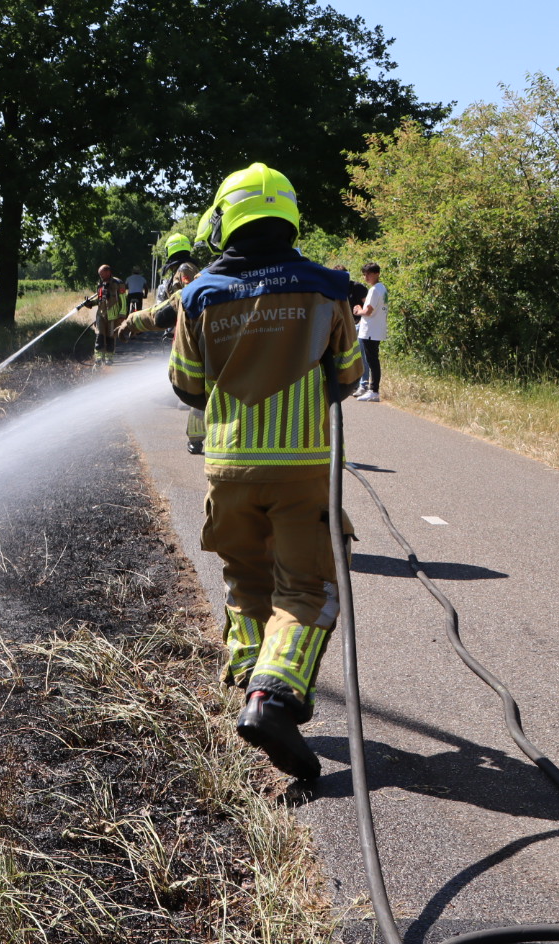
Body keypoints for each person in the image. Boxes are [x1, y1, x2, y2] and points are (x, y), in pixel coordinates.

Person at [169, 163, 362, 782]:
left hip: (227, 468)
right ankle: (273, 701)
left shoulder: (197, 294)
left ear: (224, 220)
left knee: (247, 583)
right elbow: (351, 376)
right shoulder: (328, 288)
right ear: (289, 216)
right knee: (306, 589)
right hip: (302, 467)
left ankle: (252, 682)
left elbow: (188, 387)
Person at [119, 261, 206, 453]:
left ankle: (196, 439)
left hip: (200, 349)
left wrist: (131, 322)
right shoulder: (279, 281)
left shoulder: (202, 285)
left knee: (202, 386)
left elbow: (160, 313)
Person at [80, 263, 127, 365]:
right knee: (99, 336)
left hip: (113, 315)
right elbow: (100, 300)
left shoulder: (118, 283)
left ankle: (109, 358)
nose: (100, 275)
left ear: (108, 272)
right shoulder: (100, 284)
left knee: (111, 336)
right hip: (101, 315)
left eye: (101, 273)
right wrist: (90, 304)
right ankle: (99, 357)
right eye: (99, 274)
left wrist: (122, 314)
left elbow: (123, 299)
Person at [353, 262, 387, 402]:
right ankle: (372, 390)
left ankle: (373, 390)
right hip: (376, 328)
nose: (366, 276)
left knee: (371, 360)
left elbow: (368, 311)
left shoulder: (374, 290)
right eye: (364, 274)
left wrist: (358, 311)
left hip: (370, 330)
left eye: (369, 273)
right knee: (372, 359)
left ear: (377, 274)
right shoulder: (382, 288)